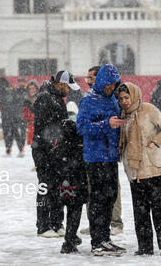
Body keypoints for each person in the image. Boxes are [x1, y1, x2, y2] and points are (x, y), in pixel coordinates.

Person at [117, 82, 161, 258]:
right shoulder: (123, 116)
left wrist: (155, 142)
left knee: (160, 211)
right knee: (140, 212)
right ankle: (145, 247)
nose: (124, 101)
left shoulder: (148, 109)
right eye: (121, 99)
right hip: (135, 172)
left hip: (155, 169)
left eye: (127, 97)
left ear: (134, 95)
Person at [76, 64, 127, 256]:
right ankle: (97, 242)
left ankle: (105, 239)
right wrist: (107, 124)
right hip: (96, 158)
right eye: (109, 84)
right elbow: (81, 128)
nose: (111, 87)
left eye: (114, 84)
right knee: (98, 200)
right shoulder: (88, 100)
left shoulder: (112, 99)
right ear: (102, 81)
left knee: (110, 197)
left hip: (111, 157)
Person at [31, 70, 81, 238]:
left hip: (56, 149)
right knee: (45, 185)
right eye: (69, 87)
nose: (71, 91)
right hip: (44, 150)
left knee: (58, 185)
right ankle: (43, 226)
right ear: (60, 84)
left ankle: (56, 223)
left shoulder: (57, 97)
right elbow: (47, 127)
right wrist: (64, 127)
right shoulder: (46, 98)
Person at [57, 119, 88, 254]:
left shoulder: (58, 148)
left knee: (65, 210)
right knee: (74, 213)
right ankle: (69, 239)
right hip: (77, 185)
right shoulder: (80, 147)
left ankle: (68, 238)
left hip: (62, 187)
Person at [0, 77, 25, 157]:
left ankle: (8, 150)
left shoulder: (0, 89)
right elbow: (17, 100)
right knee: (16, 132)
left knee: (6, 133)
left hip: (5, 115)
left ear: (0, 82)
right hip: (14, 115)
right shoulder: (11, 88)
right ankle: (21, 149)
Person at [23, 79, 39, 146]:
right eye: (30, 89)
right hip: (31, 126)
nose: (32, 90)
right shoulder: (26, 100)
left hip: (40, 126)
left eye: (33, 88)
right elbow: (25, 115)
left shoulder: (40, 98)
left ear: (36, 89)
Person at [16, 77, 28, 155]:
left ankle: (22, 148)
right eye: (20, 82)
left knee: (23, 132)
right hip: (16, 114)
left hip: (24, 115)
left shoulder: (27, 91)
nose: (21, 83)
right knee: (15, 132)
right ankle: (20, 147)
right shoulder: (16, 91)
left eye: (22, 82)